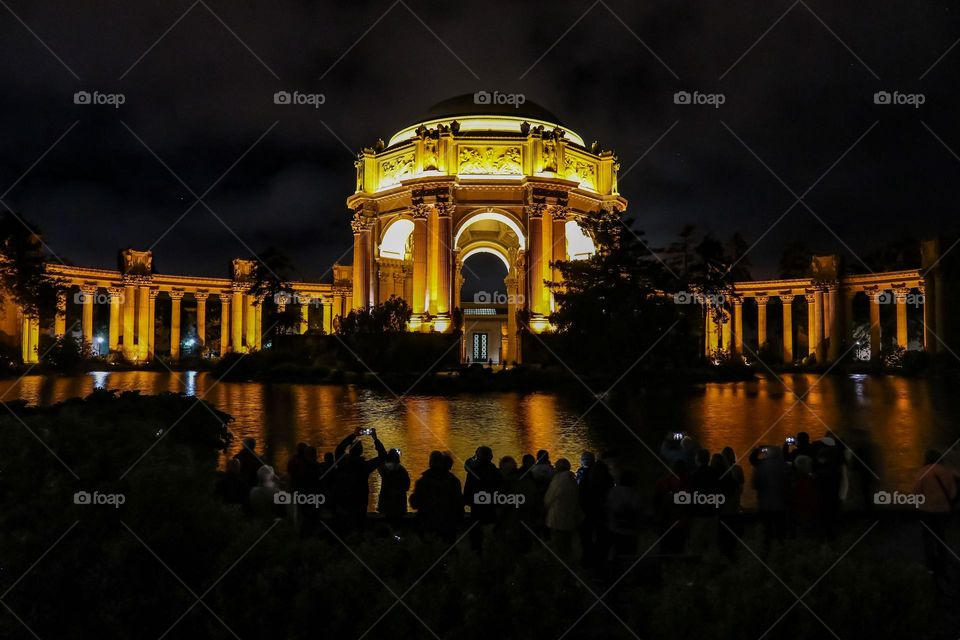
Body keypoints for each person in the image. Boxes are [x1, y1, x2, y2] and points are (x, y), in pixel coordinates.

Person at [331, 429, 388, 533]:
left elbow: (339, 449)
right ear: (361, 451)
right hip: (360, 501)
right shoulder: (365, 466)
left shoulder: (343, 463)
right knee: (359, 528)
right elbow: (383, 456)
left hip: (344, 501)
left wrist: (353, 435)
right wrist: (375, 438)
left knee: (345, 529)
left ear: (350, 450)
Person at [913, 449, 957, 576]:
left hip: (926, 511)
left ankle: (930, 568)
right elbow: (952, 493)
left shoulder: (922, 472)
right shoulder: (946, 472)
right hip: (943, 511)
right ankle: (943, 566)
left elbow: (916, 492)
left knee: (927, 539)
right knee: (941, 538)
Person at [410, 451, 463, 543]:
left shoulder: (423, 482)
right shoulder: (453, 481)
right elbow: (459, 504)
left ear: (430, 463)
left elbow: (414, 503)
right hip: (448, 525)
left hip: (427, 525)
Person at [463, 446, 503, 553]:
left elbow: (467, 491)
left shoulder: (472, 472)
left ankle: (477, 554)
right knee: (491, 538)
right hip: (491, 508)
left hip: (476, 508)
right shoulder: (496, 472)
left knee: (476, 538)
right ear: (491, 457)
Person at [577, 451, 614, 567]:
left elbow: (580, 491)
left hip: (588, 508)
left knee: (587, 536)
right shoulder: (601, 472)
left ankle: (589, 559)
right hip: (598, 509)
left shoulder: (583, 474)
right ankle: (598, 559)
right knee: (599, 535)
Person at [544, 458, 583, 560]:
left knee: (558, 546)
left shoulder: (557, 481)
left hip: (557, 519)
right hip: (570, 518)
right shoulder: (573, 480)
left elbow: (548, 499)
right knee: (567, 544)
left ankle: (560, 567)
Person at [749, 445, 788, 547]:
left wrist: (758, 449)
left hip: (765, 505)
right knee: (780, 532)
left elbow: (752, 460)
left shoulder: (761, 465)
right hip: (780, 505)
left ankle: (766, 553)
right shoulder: (784, 467)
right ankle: (781, 551)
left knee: (766, 532)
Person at [653, 460, 691, 554]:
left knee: (664, 549)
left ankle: (665, 566)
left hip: (665, 521)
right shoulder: (688, 483)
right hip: (681, 522)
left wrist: (657, 514)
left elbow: (655, 502)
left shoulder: (662, 482)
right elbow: (689, 503)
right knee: (679, 549)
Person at [606, 470, 643, 556]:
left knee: (616, 555)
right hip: (630, 532)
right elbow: (638, 511)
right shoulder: (634, 494)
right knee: (629, 556)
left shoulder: (613, 491)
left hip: (615, 529)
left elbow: (608, 507)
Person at [377, 448, 410, 531]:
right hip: (399, 505)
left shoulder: (383, 469)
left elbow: (379, 463)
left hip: (386, 504)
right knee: (398, 527)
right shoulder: (402, 470)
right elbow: (407, 486)